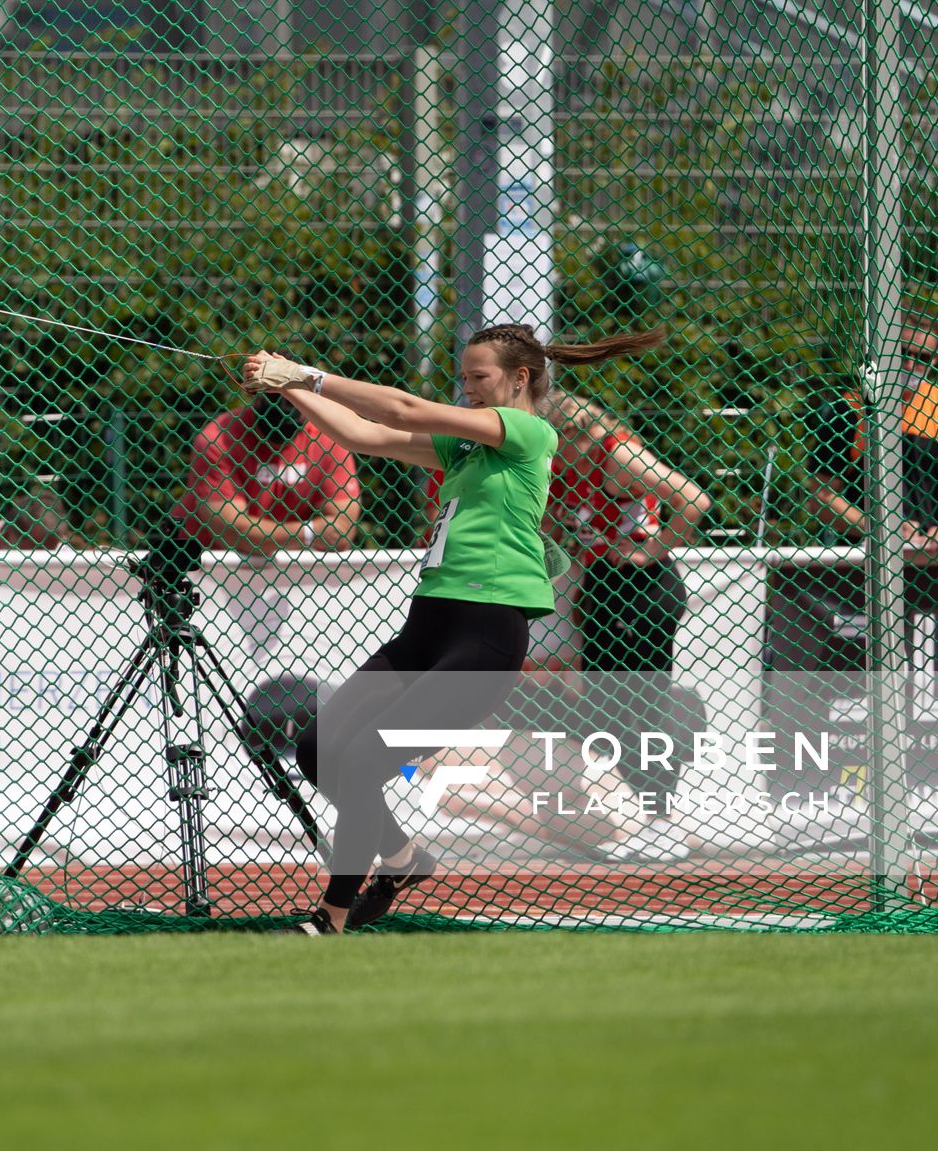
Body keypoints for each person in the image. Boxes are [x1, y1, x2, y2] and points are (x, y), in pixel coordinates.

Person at [242, 321, 665, 935]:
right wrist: (285, 387)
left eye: (478, 377)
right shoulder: (465, 448)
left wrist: (307, 375)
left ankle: (330, 918)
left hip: (485, 636)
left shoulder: (526, 430)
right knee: (317, 751)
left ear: (520, 379)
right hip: (428, 625)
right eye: (462, 377)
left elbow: (407, 406)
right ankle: (405, 861)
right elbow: (366, 434)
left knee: (360, 762)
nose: (466, 387)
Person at [545, 390, 712, 862]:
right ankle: (650, 818)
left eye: (554, 443)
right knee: (606, 707)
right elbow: (560, 527)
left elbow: (693, 500)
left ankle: (661, 821)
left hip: (641, 588)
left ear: (572, 435)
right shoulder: (566, 469)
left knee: (641, 703)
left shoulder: (615, 453)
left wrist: (653, 549)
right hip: (601, 587)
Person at [803, 309, 938, 561]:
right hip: (865, 560)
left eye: (922, 357)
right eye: (903, 354)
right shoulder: (850, 408)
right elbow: (820, 497)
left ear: (935, 359)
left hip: (935, 556)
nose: (910, 365)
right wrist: (880, 530)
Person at [172, 392, 361, 555]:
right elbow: (231, 532)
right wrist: (310, 532)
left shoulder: (327, 438)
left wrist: (273, 537)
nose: (283, 408)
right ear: (255, 398)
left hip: (289, 570)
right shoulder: (219, 439)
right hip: (207, 563)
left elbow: (342, 529)